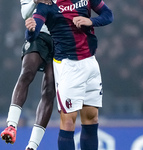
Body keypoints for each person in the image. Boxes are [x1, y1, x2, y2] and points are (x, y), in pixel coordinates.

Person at [25, 0, 113, 149]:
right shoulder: (46, 4)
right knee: (68, 121)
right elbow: (32, 36)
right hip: (68, 66)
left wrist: (91, 21)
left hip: (91, 62)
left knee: (92, 118)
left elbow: (108, 15)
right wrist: (31, 29)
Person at [0, 0, 56, 150]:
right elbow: (25, 13)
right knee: (27, 73)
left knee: (50, 89)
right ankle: (11, 125)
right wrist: (35, 1)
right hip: (38, 33)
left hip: (60, 37)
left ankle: (32, 146)